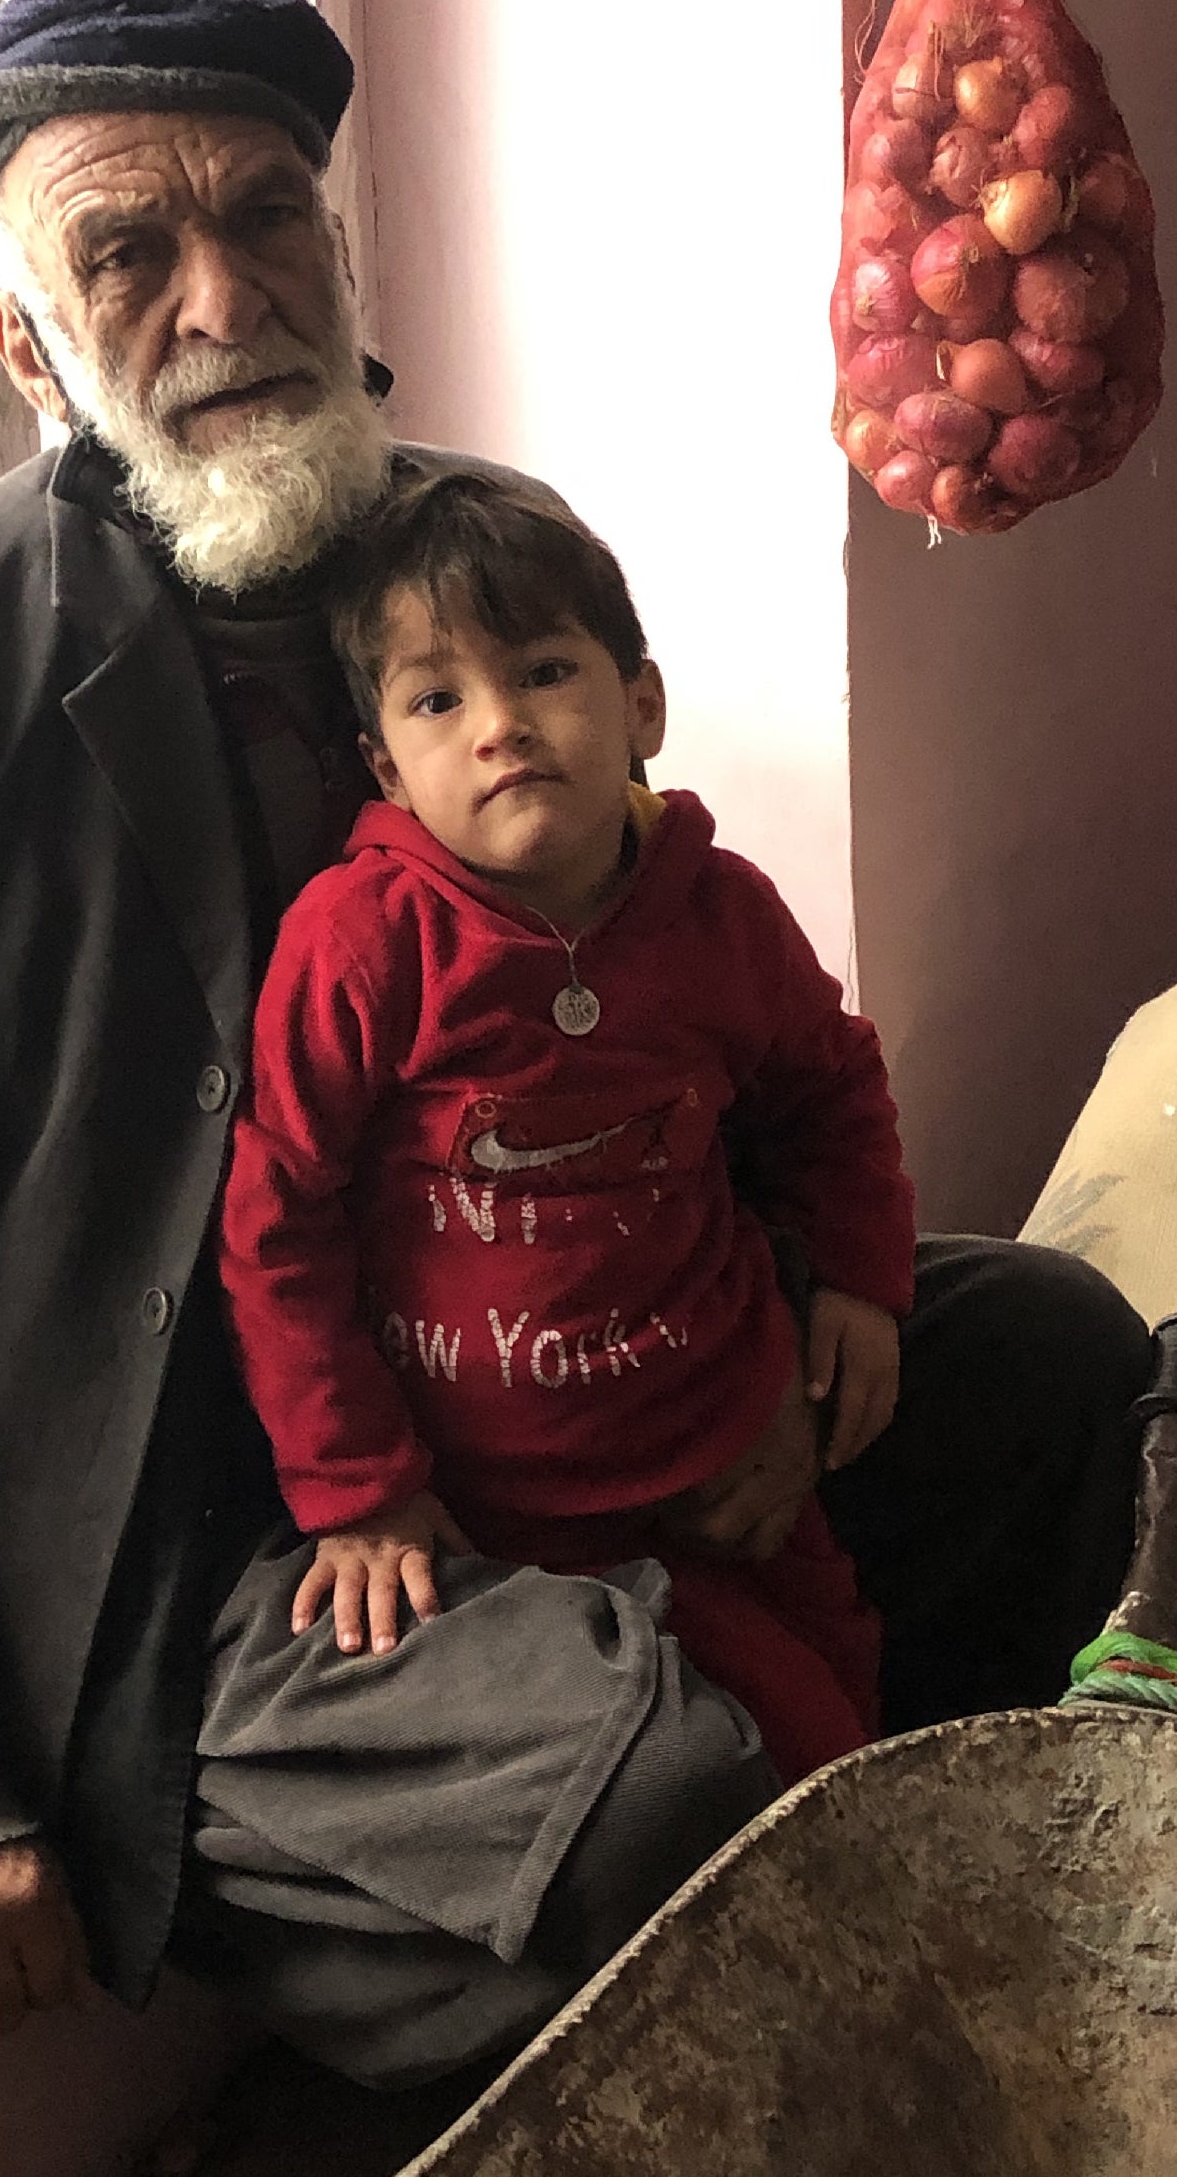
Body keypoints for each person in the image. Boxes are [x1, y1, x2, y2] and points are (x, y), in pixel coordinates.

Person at [0, 0, 1177, 2090]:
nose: (223, 299)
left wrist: (788, 1306)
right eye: (126, 253)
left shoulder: (471, 561)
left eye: (267, 213)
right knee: (657, 1767)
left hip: (587, 1355)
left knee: (1054, 1355)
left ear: (337, 241)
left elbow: (678, 999)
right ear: (23, 337)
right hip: (219, 1539)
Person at [219, 464, 914, 1786]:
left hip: (734, 1453)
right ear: (383, 762)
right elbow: (278, 1223)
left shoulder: (722, 917)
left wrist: (865, 1287)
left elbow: (832, 1094)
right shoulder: (364, 945)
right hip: (498, 1523)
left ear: (640, 702)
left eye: (543, 672)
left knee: (844, 1710)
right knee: (757, 1770)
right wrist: (357, 1488)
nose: (500, 728)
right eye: (439, 699)